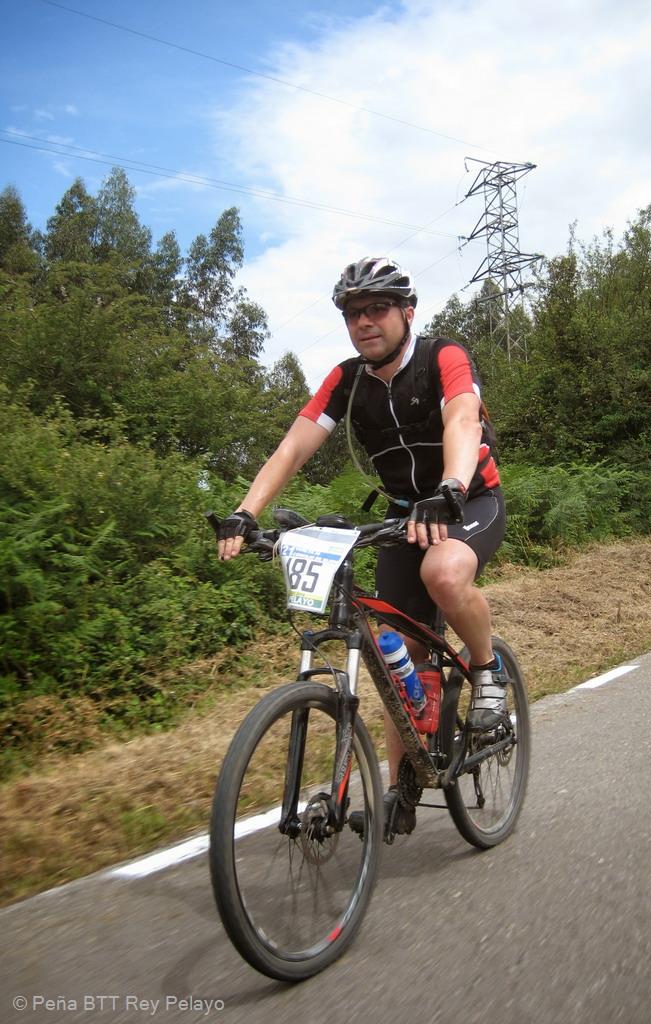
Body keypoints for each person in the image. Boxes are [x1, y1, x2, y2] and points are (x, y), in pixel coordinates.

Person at [216, 257, 508, 832]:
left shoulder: (442, 356)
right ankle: (405, 782)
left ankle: (486, 669)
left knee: (444, 574)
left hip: (468, 499)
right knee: (401, 656)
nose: (364, 322)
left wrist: (450, 487)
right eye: (353, 313)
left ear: (407, 313)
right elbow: (292, 449)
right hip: (403, 514)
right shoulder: (346, 381)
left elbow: (462, 420)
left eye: (377, 308)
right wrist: (245, 513)